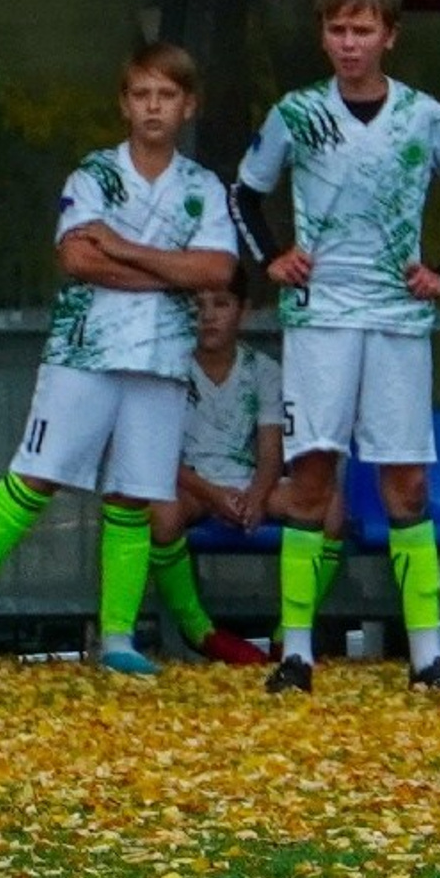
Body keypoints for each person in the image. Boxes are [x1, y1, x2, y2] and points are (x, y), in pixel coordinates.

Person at [0, 42, 238, 676]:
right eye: (141, 94)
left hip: (163, 360)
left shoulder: (203, 186)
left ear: (188, 105)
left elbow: (219, 269)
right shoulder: (94, 174)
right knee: (35, 477)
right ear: (124, 103)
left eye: (166, 96)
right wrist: (171, 270)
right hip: (83, 350)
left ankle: (117, 639)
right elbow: (77, 258)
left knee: (134, 498)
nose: (153, 107)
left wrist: (125, 249)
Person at [234, 0, 440, 696]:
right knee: (312, 474)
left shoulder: (424, 116)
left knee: (405, 480)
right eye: (337, 30)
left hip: (397, 322)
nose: (349, 44)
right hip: (319, 320)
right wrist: (273, 259)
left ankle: (427, 655)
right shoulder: (297, 113)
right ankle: (296, 653)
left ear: (389, 36)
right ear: (324, 36)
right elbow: (246, 193)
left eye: (362, 30)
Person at [143, 274, 283, 666]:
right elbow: (159, 455)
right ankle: (198, 629)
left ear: (244, 311)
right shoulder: (170, 369)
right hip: (192, 483)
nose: (208, 317)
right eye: (198, 307)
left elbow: (271, 451)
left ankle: (288, 633)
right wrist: (213, 495)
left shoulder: (263, 370)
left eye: (221, 305)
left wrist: (256, 496)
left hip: (244, 480)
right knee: (161, 513)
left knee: (330, 508)